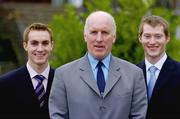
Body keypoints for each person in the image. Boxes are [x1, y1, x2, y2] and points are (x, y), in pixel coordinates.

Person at [49, 11, 147, 119]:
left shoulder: (134, 74)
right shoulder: (63, 75)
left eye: (105, 32)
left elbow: (139, 116)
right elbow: (57, 116)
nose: (99, 39)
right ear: (85, 36)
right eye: (94, 32)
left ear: (114, 37)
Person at [0, 23, 55, 118]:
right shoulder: (5, 83)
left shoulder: (63, 81)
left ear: (51, 45)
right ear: (25, 46)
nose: (40, 49)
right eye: (34, 43)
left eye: (45, 43)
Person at [137, 15, 180, 119]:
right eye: (147, 36)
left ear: (167, 38)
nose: (152, 42)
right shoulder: (132, 72)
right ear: (140, 38)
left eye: (158, 36)